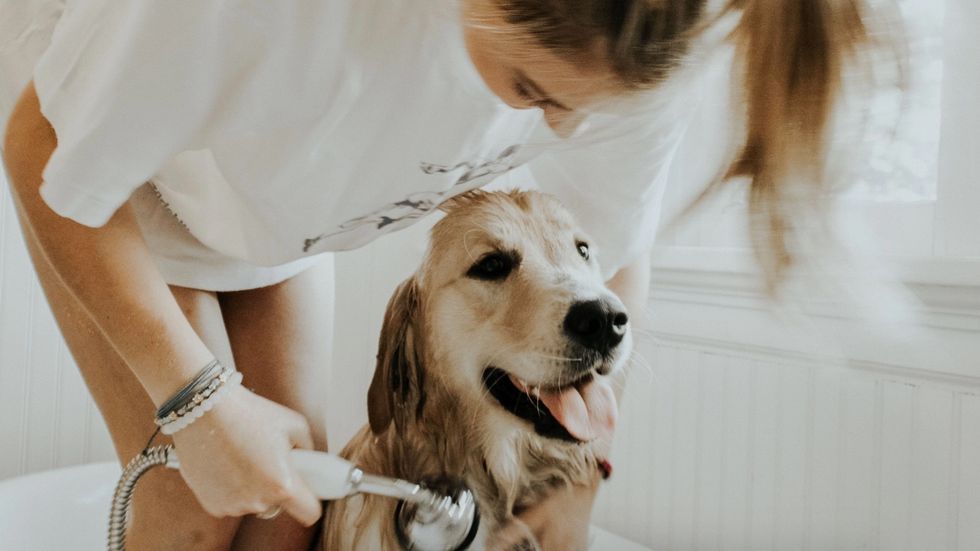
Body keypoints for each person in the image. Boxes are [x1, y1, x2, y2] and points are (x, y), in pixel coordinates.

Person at [1, 0, 869, 549]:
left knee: (287, 515)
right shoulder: (259, 16)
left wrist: (585, 469)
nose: (564, 137)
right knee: (198, 509)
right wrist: (195, 401)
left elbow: (612, 248)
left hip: (287, 205)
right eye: (534, 91)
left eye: (588, 111)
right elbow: (41, 149)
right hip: (118, 176)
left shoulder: (631, 52)